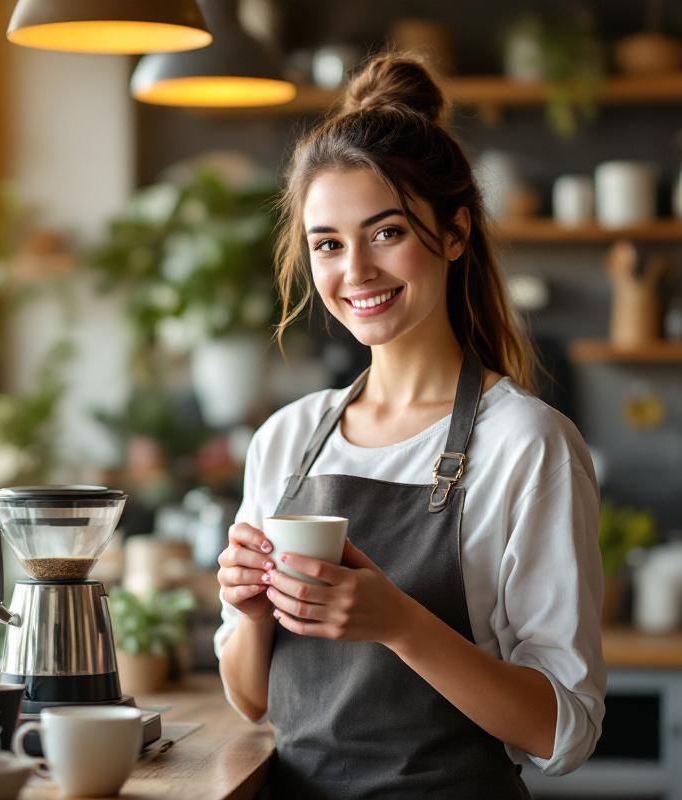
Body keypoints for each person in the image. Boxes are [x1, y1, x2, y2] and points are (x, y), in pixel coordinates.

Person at [214, 53, 605, 799]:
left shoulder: (527, 444)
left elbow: (564, 730)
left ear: (455, 234)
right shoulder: (288, 440)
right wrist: (249, 610)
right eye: (327, 243)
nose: (354, 271)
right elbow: (253, 698)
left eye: (386, 233)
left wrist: (400, 622)